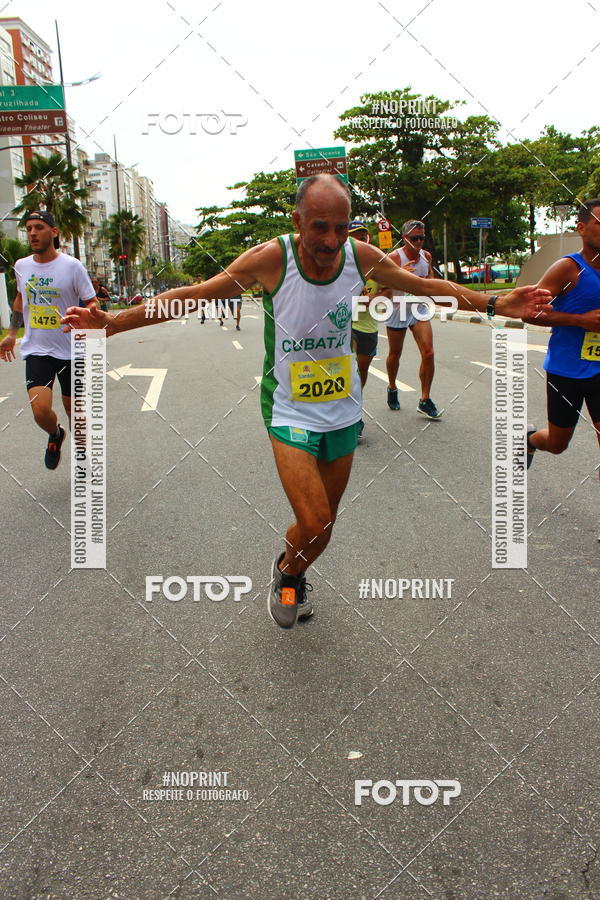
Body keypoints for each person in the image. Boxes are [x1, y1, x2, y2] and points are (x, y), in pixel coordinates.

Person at [61, 174, 550, 628]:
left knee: (322, 529)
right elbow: (195, 295)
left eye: (341, 228)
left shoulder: (360, 257)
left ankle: (289, 570)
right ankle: (289, 575)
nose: (332, 241)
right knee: (315, 519)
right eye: (320, 228)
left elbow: (424, 288)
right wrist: (111, 323)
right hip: (289, 408)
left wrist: (494, 302)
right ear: (297, 222)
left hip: (341, 408)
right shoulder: (271, 259)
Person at [0, 211, 97, 470]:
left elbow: (92, 301)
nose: (32, 233)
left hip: (71, 350)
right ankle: (55, 434)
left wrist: (88, 314)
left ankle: (82, 451)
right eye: (29, 228)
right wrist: (11, 333)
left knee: (75, 412)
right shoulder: (22, 266)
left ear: (53, 232)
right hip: (37, 349)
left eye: (39, 227)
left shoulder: (72, 266)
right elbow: (20, 300)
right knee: (40, 411)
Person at [523, 198, 600, 469]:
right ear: (581, 228)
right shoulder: (569, 269)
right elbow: (530, 312)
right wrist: (580, 320)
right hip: (567, 371)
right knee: (557, 444)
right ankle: (530, 440)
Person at [384, 220, 442, 419]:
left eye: (422, 238)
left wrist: (429, 286)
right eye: (414, 238)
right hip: (398, 309)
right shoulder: (394, 257)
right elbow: (382, 284)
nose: (419, 242)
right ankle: (392, 387)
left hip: (418, 309)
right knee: (394, 355)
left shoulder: (426, 256)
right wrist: (400, 276)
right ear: (404, 238)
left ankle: (425, 400)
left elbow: (430, 279)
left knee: (428, 352)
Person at [348, 219, 379, 439]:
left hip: (369, 325)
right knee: (349, 371)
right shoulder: (339, 265)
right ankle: (351, 416)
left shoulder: (376, 265)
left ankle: (354, 407)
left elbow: (390, 291)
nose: (360, 239)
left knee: (361, 372)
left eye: (362, 236)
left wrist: (374, 299)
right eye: (355, 236)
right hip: (347, 325)